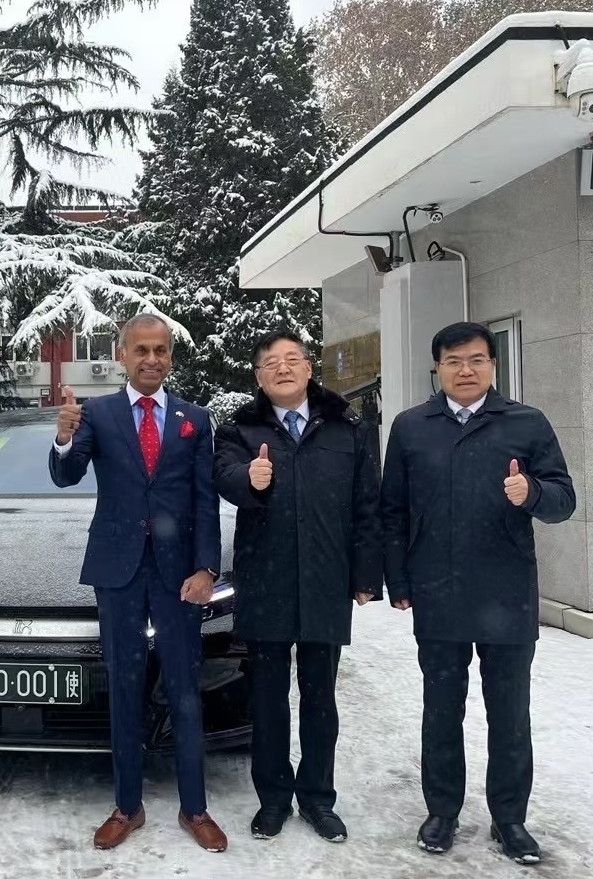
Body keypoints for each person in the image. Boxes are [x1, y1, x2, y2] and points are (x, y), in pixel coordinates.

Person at [381, 321, 576, 865]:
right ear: (437, 368)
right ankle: (442, 811)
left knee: (510, 715)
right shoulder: (411, 427)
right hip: (437, 591)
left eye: (476, 360)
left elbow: (564, 499)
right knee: (441, 710)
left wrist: (532, 491)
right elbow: (392, 509)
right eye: (453, 361)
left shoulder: (526, 423)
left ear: (492, 365)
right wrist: (398, 580)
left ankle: (509, 819)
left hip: (507, 591)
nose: (465, 370)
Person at [49, 312, 226, 853]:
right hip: (118, 571)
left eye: (160, 350)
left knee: (184, 688)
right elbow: (66, 475)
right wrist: (64, 437)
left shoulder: (195, 419)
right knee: (124, 687)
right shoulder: (97, 414)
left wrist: (206, 568)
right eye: (141, 350)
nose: (151, 359)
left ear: (170, 357)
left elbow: (204, 500)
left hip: (179, 575)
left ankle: (194, 808)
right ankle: (128, 806)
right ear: (122, 356)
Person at [213, 329, 381, 843]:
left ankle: (317, 798)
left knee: (320, 697)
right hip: (265, 578)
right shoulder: (240, 428)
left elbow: (366, 505)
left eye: (292, 359)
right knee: (267, 698)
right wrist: (250, 478)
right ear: (259, 377)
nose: (282, 368)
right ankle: (273, 800)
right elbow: (222, 476)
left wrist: (365, 574)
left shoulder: (346, 427)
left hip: (326, 579)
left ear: (309, 368)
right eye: (271, 363)